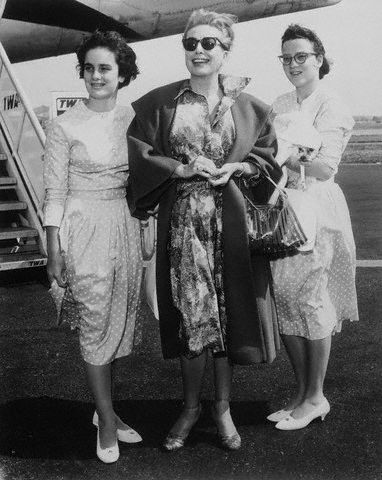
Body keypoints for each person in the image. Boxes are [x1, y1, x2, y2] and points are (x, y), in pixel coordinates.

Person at [127, 9, 282, 451]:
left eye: (209, 43)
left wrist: (239, 165)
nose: (198, 50)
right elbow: (139, 153)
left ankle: (223, 408)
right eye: (191, 43)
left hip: (230, 225)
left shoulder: (249, 107)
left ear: (225, 50)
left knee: (228, 314)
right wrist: (179, 166)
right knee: (193, 316)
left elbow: (269, 158)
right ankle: (191, 406)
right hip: (184, 226)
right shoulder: (160, 103)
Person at [43, 30, 143, 463]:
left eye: (105, 68)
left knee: (115, 323)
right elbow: (54, 192)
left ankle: (107, 410)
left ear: (122, 75)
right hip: (82, 228)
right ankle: (105, 421)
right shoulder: (63, 124)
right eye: (89, 68)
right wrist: (53, 249)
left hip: (124, 224)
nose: (96, 75)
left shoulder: (134, 118)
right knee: (96, 322)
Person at [268, 24, 359, 430]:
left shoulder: (332, 105)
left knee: (314, 299)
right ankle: (301, 393)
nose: (293, 64)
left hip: (318, 209)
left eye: (301, 56)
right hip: (284, 207)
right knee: (285, 298)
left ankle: (317, 396)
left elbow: (325, 166)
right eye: (286, 58)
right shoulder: (280, 102)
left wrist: (283, 159)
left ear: (319, 59)